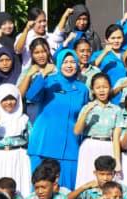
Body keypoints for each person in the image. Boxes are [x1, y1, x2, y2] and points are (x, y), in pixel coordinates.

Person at [26, 49, 90, 188]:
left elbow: (83, 116)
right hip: (44, 145)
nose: (69, 65)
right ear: (59, 64)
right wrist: (43, 75)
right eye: (65, 62)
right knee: (41, 190)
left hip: (70, 147)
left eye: (72, 62)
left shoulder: (82, 89)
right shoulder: (49, 81)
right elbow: (31, 96)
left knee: (67, 191)